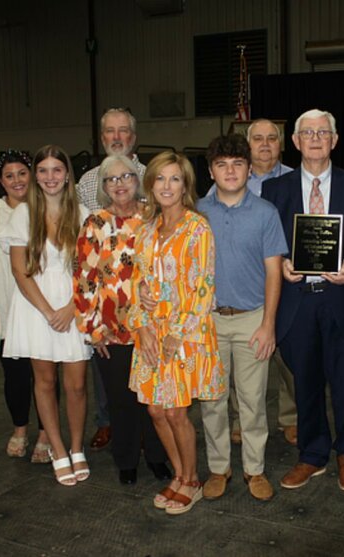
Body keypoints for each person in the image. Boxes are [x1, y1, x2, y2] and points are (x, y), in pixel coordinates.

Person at [262, 109, 344, 492]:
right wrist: (281, 264)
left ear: (334, 139)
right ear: (295, 142)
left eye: (322, 132)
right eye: (307, 133)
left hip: (342, 298)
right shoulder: (275, 190)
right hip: (298, 302)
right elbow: (269, 245)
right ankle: (312, 456)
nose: (315, 138)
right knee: (305, 384)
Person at [127, 151, 225, 515]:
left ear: (185, 186)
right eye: (160, 179)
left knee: (176, 413)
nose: (167, 186)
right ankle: (179, 475)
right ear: (151, 185)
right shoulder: (146, 229)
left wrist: (177, 333)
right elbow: (136, 283)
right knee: (155, 410)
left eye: (175, 179)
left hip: (184, 334)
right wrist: (142, 324)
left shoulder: (197, 228)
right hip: (151, 332)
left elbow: (204, 286)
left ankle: (192, 480)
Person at [197, 135, 288, 502]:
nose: (230, 171)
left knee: (252, 403)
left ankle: (254, 469)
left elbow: (273, 273)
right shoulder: (198, 212)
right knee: (212, 401)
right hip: (209, 321)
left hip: (252, 320)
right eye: (222, 164)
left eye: (237, 164)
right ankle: (219, 468)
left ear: (249, 170)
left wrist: (268, 324)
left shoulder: (266, 213)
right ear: (211, 171)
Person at [73, 154, 170, 485]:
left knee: (153, 399)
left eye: (125, 177)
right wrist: (93, 330)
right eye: (111, 179)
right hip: (112, 332)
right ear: (103, 187)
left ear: (137, 180)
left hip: (153, 328)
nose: (119, 184)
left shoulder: (154, 218)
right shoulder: (94, 224)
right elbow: (85, 279)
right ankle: (126, 460)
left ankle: (158, 456)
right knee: (120, 400)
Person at [0, 144, 92, 487]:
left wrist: (70, 307)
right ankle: (57, 448)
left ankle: (77, 447)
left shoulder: (82, 214)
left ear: (67, 174)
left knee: (78, 385)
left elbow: (91, 270)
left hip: (74, 307)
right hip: (36, 310)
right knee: (46, 382)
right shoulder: (22, 215)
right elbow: (20, 271)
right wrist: (49, 311)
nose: (50, 177)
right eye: (43, 171)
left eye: (56, 170)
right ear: (35, 177)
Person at [207, 118, 298, 447]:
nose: (264, 144)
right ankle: (238, 422)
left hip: (286, 283)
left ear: (281, 143)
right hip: (234, 298)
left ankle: (290, 418)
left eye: (271, 138)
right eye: (257, 138)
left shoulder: (295, 181)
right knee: (237, 376)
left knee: (288, 362)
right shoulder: (210, 200)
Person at [0, 150, 55, 463]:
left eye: (23, 173)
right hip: (7, 307)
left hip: (43, 306)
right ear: (0, 181)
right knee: (16, 375)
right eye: (10, 175)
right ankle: (20, 429)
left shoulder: (46, 207)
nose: (17, 180)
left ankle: (47, 435)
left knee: (46, 376)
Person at [76, 108, 146, 452]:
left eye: (123, 131)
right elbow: (84, 259)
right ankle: (108, 424)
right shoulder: (87, 182)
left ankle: (149, 436)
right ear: (102, 137)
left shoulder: (153, 176)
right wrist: (91, 320)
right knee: (109, 379)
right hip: (107, 308)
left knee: (147, 383)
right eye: (109, 132)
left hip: (146, 309)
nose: (117, 137)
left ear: (133, 137)